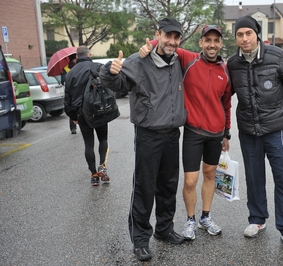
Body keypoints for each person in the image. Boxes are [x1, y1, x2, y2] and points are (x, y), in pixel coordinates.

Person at [99, 18, 187, 261]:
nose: (171, 41)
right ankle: (140, 240)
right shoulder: (138, 61)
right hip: (148, 134)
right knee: (144, 187)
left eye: (176, 37)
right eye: (167, 35)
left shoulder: (180, 61)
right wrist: (109, 69)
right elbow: (116, 83)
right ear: (157, 34)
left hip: (172, 134)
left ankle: (164, 229)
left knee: (168, 184)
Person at [226, 15, 283, 252]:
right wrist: (222, 131)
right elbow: (223, 97)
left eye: (248, 33)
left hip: (276, 131)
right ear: (236, 38)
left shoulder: (276, 56)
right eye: (239, 34)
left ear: (257, 34)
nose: (244, 38)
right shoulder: (233, 64)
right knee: (254, 178)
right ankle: (257, 219)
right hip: (248, 132)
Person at [139, 24, 232, 241]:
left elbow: (226, 104)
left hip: (216, 133)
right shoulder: (188, 59)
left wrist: (226, 133)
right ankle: (190, 219)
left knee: (210, 175)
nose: (212, 44)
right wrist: (148, 47)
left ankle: (205, 217)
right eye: (207, 40)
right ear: (200, 43)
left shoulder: (225, 71)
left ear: (220, 44)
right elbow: (165, 44)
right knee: (190, 181)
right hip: (193, 131)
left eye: (216, 41)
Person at [64, 46, 110, 186]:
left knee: (88, 144)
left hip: (81, 113)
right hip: (98, 109)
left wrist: (73, 116)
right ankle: (102, 166)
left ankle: (94, 175)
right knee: (103, 139)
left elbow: (67, 98)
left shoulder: (70, 73)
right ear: (89, 54)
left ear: (77, 57)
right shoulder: (97, 67)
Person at [61, 54, 78, 134]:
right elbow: (62, 80)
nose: (76, 60)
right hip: (70, 92)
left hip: (78, 90)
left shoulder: (78, 67)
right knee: (72, 109)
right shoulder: (66, 69)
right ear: (72, 60)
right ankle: (73, 128)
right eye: (75, 59)